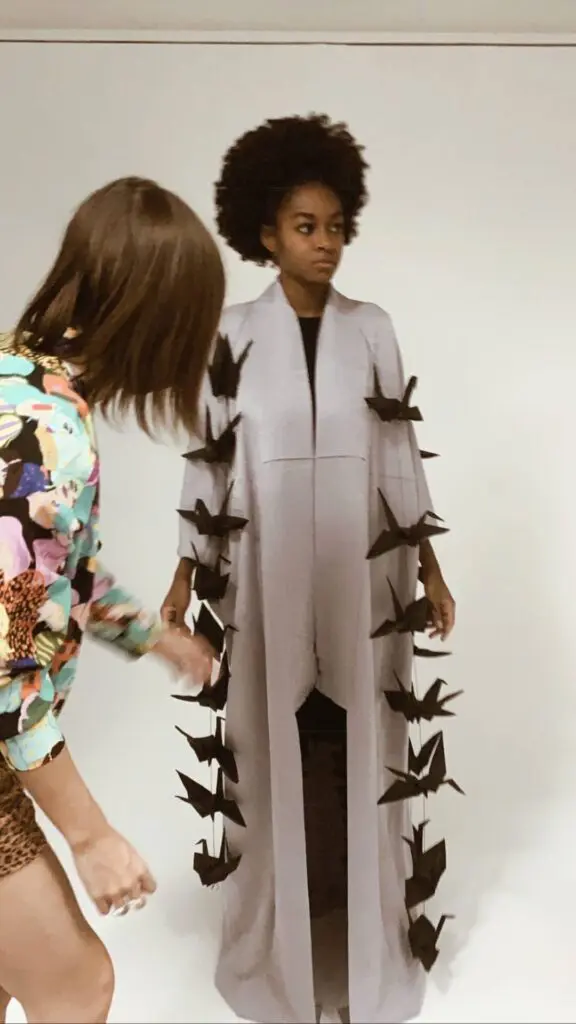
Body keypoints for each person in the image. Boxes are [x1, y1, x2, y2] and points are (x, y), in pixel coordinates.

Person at [163, 115, 457, 1024]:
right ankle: (274, 959)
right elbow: (208, 462)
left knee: (365, 742)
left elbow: (401, 461)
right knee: (262, 737)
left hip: (364, 582)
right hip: (263, 572)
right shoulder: (233, 333)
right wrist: (182, 577)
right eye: (304, 225)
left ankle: (367, 956)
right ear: (263, 231)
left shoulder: (373, 330)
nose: (324, 243)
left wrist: (433, 572)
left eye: (334, 226)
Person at [0, 176, 222, 1024]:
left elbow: (54, 576)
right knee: (77, 983)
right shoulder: (43, 434)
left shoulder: (19, 380)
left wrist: (159, 639)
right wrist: (92, 839)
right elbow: (10, 671)